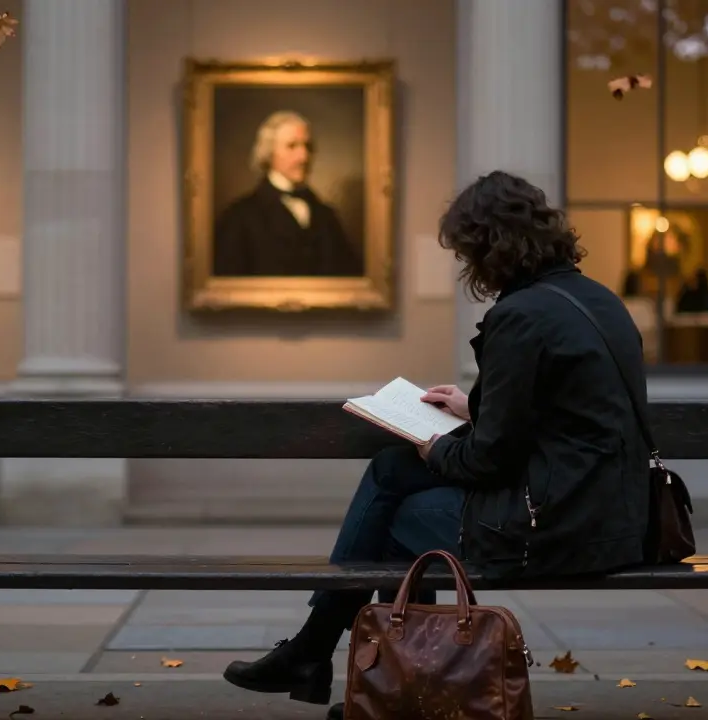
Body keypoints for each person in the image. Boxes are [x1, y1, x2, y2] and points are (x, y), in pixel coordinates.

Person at [222, 171, 651, 720]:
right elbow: (571, 413)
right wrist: (474, 410)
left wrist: (434, 446)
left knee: (401, 513)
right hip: (615, 511)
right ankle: (345, 667)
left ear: (487, 246)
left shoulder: (519, 315)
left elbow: (488, 460)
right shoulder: (597, 299)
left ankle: (367, 677)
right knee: (391, 471)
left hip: (560, 524)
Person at [212, 110, 361, 277]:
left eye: (308, 146)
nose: (304, 157)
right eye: (292, 146)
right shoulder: (239, 218)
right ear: (268, 153)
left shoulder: (327, 216)